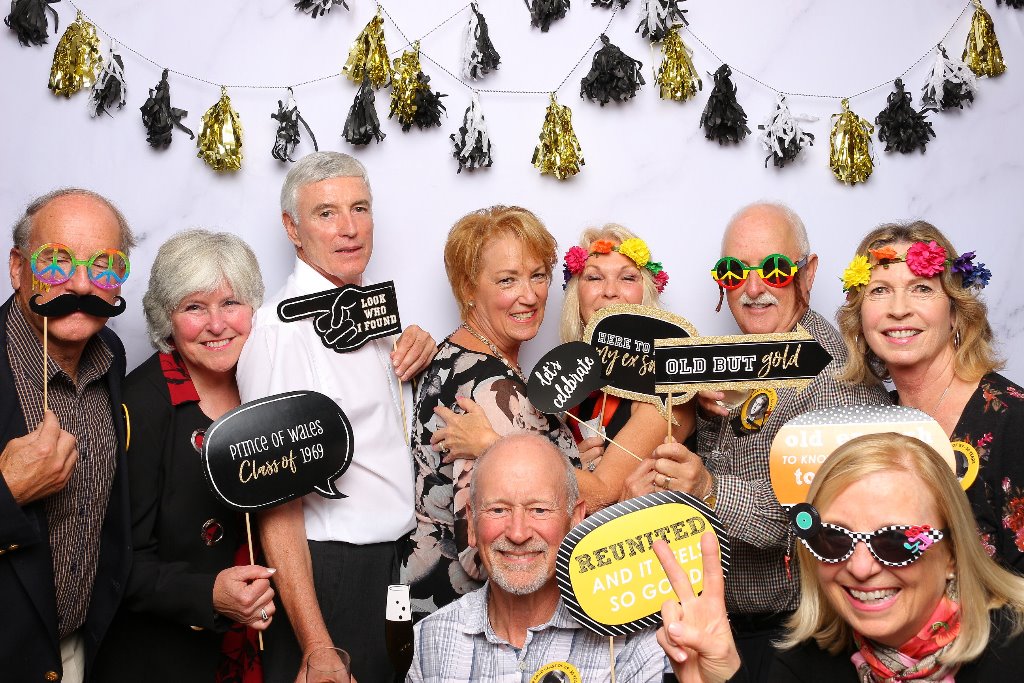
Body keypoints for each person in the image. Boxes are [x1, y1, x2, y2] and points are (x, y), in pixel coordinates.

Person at [624, 201, 890, 682]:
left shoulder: (834, 378)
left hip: (795, 639)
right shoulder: (731, 363)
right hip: (715, 631)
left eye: (774, 269)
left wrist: (706, 485)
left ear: (807, 274)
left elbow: (811, 522)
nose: (752, 289)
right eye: (732, 272)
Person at [236, 151, 436, 683]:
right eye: (326, 213)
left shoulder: (372, 310)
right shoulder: (279, 332)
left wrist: (418, 349)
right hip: (328, 576)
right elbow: (273, 501)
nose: (349, 229)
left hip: (392, 565)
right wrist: (317, 644)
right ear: (292, 229)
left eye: (360, 208)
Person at [92, 230, 275, 682]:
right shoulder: (141, 405)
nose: (217, 324)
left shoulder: (268, 387)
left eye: (231, 303)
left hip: (262, 649)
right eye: (194, 307)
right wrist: (207, 593)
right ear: (165, 317)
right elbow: (114, 562)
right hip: (165, 659)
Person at [399, 206, 587, 621]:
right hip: (476, 621)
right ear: (468, 287)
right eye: (507, 280)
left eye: (539, 275)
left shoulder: (455, 356)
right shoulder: (489, 386)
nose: (531, 295)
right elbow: (483, 553)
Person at [0, 189, 134, 682]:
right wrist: (7, 489)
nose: (81, 284)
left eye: (104, 266)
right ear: (19, 269)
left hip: (81, 653)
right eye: (55, 262)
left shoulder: (113, 357)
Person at [836, 221, 1024, 571]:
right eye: (879, 291)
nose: (898, 309)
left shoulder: (1012, 420)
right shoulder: (871, 427)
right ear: (859, 317)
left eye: (921, 289)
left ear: (955, 312)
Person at [406, 433, 670, 682]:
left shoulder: (632, 642)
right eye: (498, 510)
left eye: (539, 510)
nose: (518, 533)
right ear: (472, 525)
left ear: (576, 520)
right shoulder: (429, 644)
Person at [772, 432, 1024, 681]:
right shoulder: (799, 668)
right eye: (834, 539)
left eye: (895, 541)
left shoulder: (1014, 656)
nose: (860, 568)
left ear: (952, 554)